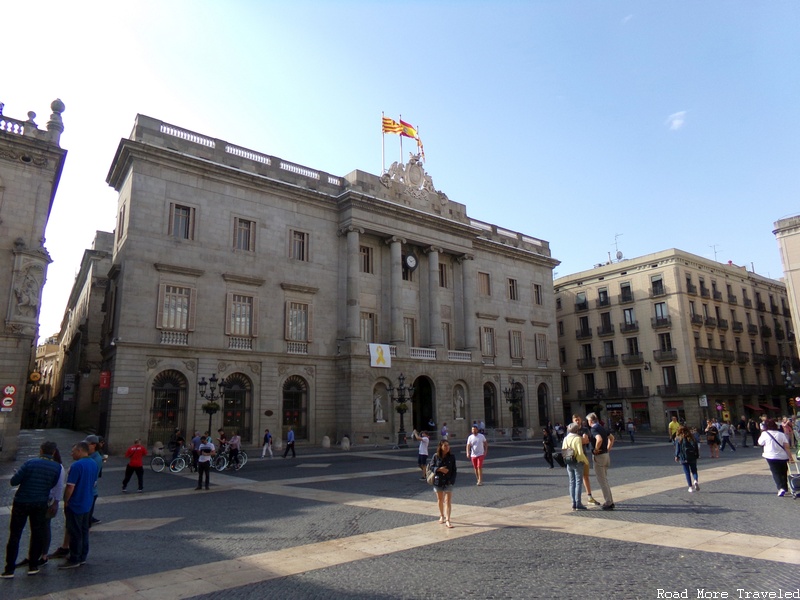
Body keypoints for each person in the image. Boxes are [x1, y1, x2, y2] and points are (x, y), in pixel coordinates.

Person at [2, 441, 62, 578]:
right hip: (40, 503)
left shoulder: (30, 463)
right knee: (37, 533)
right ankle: (33, 565)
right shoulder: (57, 467)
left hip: (22, 501)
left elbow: (14, 481)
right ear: (53, 452)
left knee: (15, 535)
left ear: (41, 450)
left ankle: (9, 568)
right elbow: (52, 484)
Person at [59, 441, 99, 569]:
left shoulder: (77, 465)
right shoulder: (94, 463)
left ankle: (74, 558)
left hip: (76, 503)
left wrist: (66, 500)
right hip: (88, 501)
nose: (71, 454)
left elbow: (70, 486)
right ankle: (82, 556)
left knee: (74, 531)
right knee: (83, 530)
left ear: (80, 451)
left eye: (73, 451)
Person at [758, 419, 795, 497]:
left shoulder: (765, 434)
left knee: (776, 472)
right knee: (784, 472)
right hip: (783, 456)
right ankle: (785, 487)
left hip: (770, 456)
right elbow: (787, 447)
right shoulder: (781, 434)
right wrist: (790, 457)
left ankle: (780, 488)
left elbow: (760, 443)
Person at [586, 412, 615, 510]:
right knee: (605, 480)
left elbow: (599, 439)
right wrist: (608, 448)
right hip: (606, 455)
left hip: (599, 456)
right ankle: (610, 500)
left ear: (590, 421)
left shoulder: (594, 428)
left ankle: (608, 502)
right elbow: (612, 438)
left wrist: (596, 449)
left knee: (602, 481)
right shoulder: (602, 427)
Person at [428, 440, 457, 528]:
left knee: (448, 501)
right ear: (441, 447)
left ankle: (448, 519)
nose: (447, 447)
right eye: (445, 446)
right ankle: (442, 515)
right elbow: (431, 467)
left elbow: (454, 470)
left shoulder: (452, 457)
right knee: (440, 500)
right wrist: (439, 469)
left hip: (448, 481)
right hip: (438, 481)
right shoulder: (436, 456)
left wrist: (452, 480)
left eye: (448, 445)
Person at [572, 415, 599, 505]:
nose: (577, 421)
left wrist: (578, 439)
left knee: (585, 476)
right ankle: (575, 501)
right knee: (575, 479)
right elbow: (582, 440)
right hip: (573, 457)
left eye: (579, 420)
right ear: (573, 421)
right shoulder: (571, 429)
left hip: (583, 455)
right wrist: (582, 439)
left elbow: (586, 441)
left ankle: (589, 496)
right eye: (576, 420)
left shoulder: (585, 429)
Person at [562, 422, 589, 510]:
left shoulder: (565, 438)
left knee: (571, 482)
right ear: (577, 430)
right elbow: (580, 452)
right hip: (577, 461)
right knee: (578, 482)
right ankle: (578, 503)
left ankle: (573, 502)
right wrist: (585, 461)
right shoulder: (577, 438)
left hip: (569, 461)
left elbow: (563, 450)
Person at [84, 435, 104, 526]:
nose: (85, 446)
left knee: (85, 520)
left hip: (90, 491)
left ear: (93, 445)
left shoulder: (95, 459)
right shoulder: (91, 456)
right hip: (89, 490)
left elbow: (88, 475)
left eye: (87, 444)